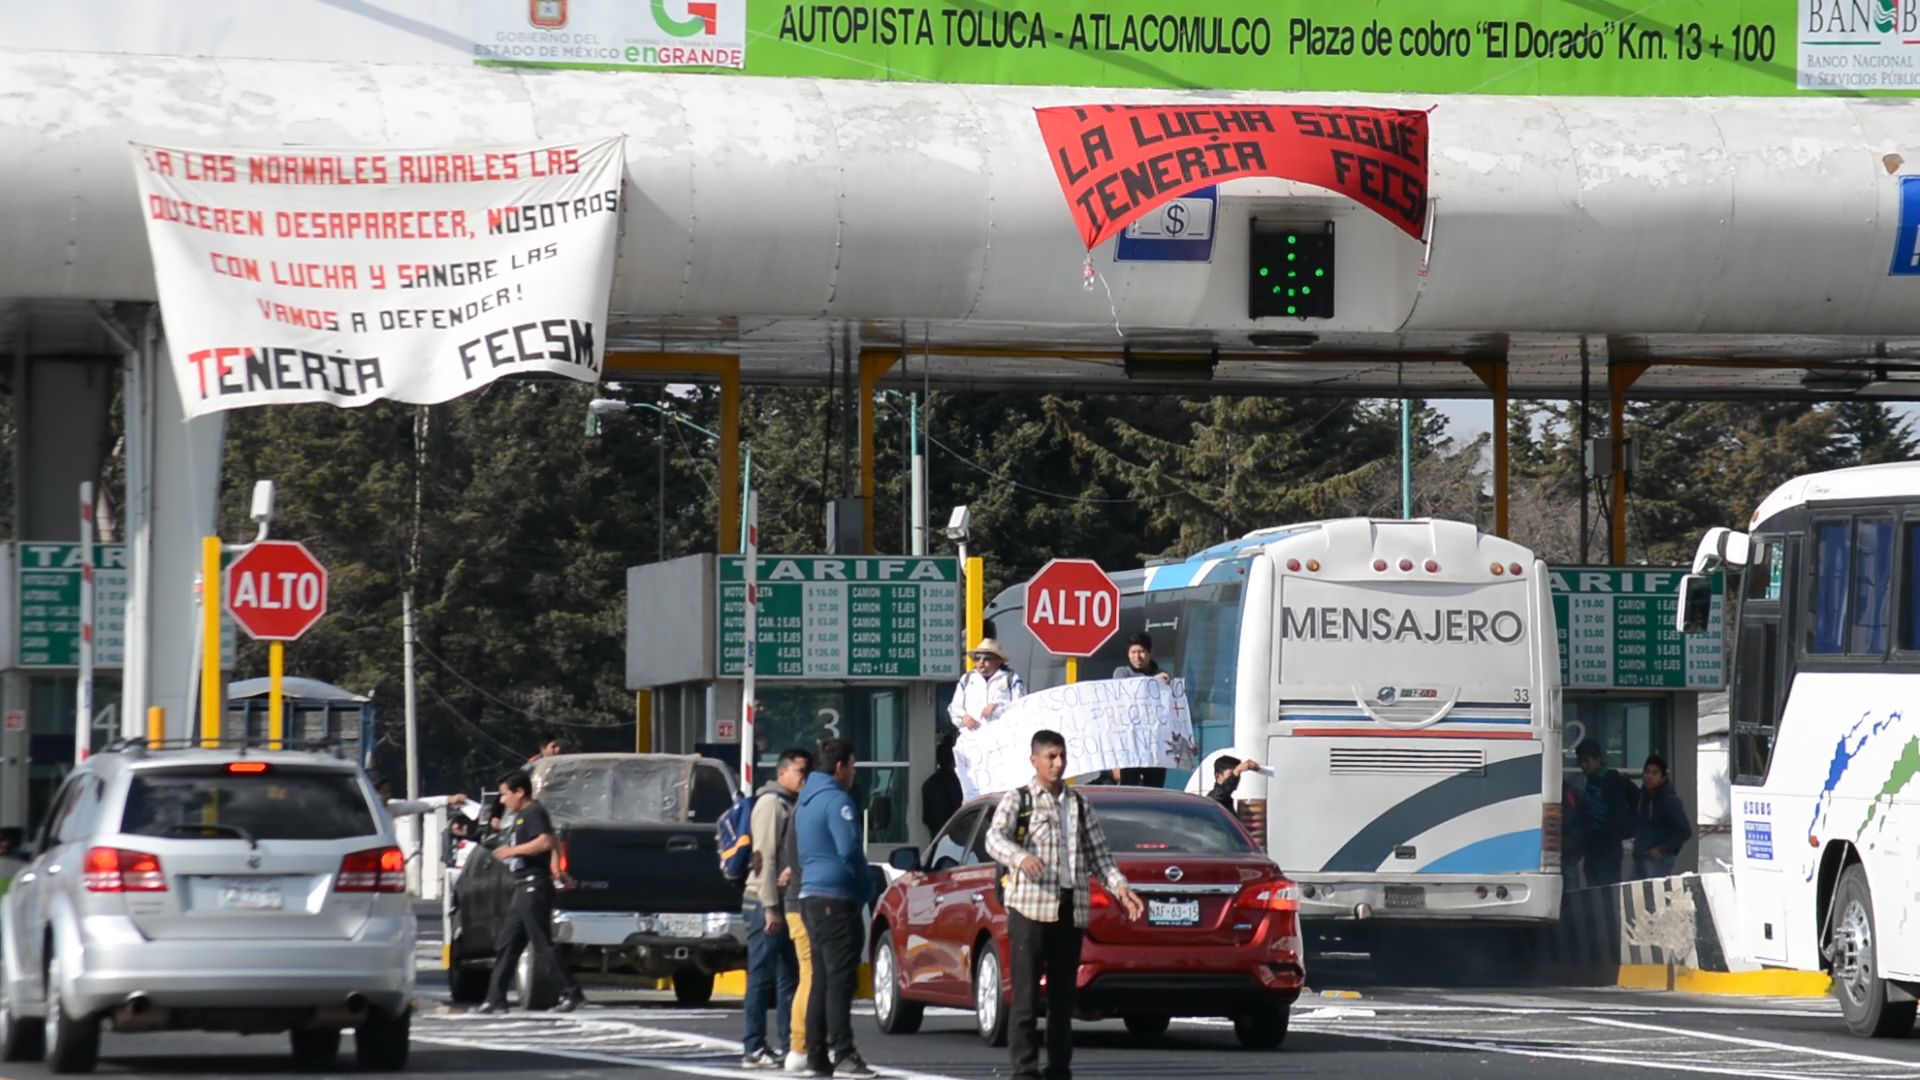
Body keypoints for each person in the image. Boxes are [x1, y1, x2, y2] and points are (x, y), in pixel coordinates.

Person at [985, 729, 1145, 1080]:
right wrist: (1020, 857)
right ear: (1035, 760)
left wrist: (1121, 888)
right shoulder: (1020, 799)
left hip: (1071, 908)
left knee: (1062, 1001)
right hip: (1030, 908)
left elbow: (1099, 855)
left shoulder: (1078, 804)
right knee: (1025, 1001)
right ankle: (1024, 1071)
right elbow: (994, 838)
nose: (1058, 764)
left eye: (1061, 756)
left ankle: (1058, 1070)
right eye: (1050, 757)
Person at [794, 738, 876, 1079]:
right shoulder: (837, 801)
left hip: (810, 895)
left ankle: (817, 1055)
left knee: (821, 980)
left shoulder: (805, 801)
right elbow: (849, 848)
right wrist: (867, 884)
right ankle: (843, 1052)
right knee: (840, 980)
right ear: (840, 767)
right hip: (837, 897)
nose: (854, 773)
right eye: (853, 766)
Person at [477, 769, 586, 1014]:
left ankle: (571, 993)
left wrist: (512, 851)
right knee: (508, 943)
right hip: (522, 885)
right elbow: (554, 839)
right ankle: (495, 999)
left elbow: (545, 841)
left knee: (542, 943)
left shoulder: (533, 811)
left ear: (520, 792)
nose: (503, 801)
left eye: (505, 795)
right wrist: (557, 867)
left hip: (534, 885)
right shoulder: (520, 816)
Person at [742, 749, 811, 1070]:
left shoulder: (792, 804)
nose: (803, 776)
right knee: (761, 976)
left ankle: (787, 1044)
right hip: (763, 902)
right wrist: (770, 908)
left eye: (806, 771)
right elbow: (762, 859)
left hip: (784, 901)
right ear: (782, 773)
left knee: (789, 978)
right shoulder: (771, 804)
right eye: (799, 771)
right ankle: (753, 1046)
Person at [776, 769, 814, 1074]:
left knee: (806, 976)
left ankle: (806, 1043)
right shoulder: (803, 813)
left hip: (798, 902)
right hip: (802, 904)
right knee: (810, 976)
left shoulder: (798, 812)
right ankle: (799, 1045)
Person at [1574, 739, 1638, 888]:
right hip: (1592, 847)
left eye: (1587, 761)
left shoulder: (1613, 780)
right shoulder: (1590, 782)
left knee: (1608, 890)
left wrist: (1621, 831)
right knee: (1593, 888)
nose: (1583, 766)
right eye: (1580, 762)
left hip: (1609, 848)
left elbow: (1623, 810)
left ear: (1599, 759)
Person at [1632, 754, 1692, 880]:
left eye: (1655, 773)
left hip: (1658, 859)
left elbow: (1685, 831)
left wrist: (1662, 849)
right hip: (1640, 856)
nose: (1649, 777)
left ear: (1662, 778)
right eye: (1647, 772)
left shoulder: (1669, 799)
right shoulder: (1642, 796)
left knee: (1653, 896)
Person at [948, 639, 1024, 732]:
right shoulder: (966, 679)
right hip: (971, 739)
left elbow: (1021, 706)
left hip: (1002, 737)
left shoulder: (1011, 678)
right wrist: (963, 718)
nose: (981, 661)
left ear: (999, 660)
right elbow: (954, 707)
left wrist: (997, 705)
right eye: (978, 657)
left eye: (987, 657)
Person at [921, 734, 965, 836]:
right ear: (954, 760)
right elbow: (959, 811)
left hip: (936, 837)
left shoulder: (928, 784)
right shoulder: (957, 782)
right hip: (955, 838)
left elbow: (926, 817)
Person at [372, 775, 469, 817]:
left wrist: (448, 800)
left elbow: (418, 804)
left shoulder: (390, 808)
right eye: (385, 792)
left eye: (389, 791)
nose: (389, 795)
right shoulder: (359, 816)